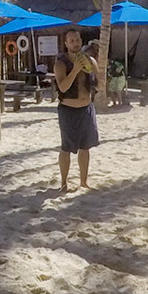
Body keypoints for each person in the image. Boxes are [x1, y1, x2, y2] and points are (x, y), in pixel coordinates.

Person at [52, 31, 100, 191]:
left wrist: (93, 71)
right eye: (71, 41)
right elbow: (63, 87)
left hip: (86, 108)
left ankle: (83, 181)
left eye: (78, 40)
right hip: (68, 110)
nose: (75, 43)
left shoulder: (90, 60)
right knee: (66, 148)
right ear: (66, 43)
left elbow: (99, 82)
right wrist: (75, 70)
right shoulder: (61, 64)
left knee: (85, 147)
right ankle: (64, 183)